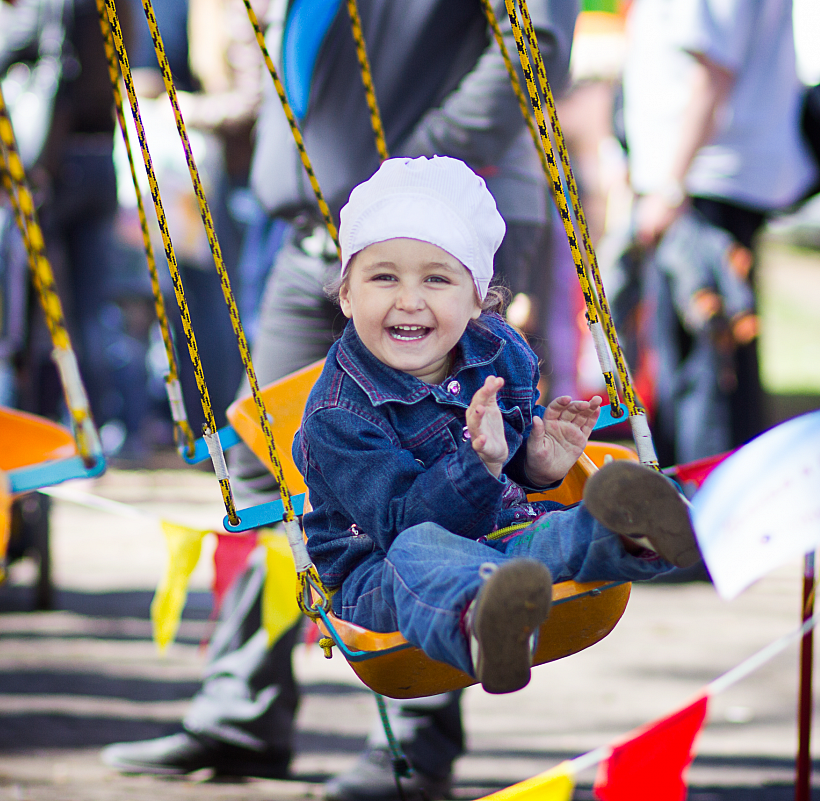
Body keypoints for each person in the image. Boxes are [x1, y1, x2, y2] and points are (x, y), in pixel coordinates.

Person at [102, 0, 577, 797]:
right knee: (266, 457)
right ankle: (244, 707)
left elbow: (536, 41)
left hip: (442, 230)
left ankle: (418, 739)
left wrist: (417, 175)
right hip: (320, 228)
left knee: (449, 454)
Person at [296, 156, 699, 696]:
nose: (409, 299)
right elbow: (401, 524)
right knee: (426, 551)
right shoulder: (337, 415)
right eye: (383, 277)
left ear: (477, 300)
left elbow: (510, 471)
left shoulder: (498, 351)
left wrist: (536, 463)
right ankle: (485, 622)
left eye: (436, 279)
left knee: (556, 530)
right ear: (347, 295)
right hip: (383, 572)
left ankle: (636, 532)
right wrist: (479, 465)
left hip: (501, 541)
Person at [623, 0, 816, 458]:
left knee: (706, 383)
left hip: (701, 185)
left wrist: (670, 186)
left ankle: (705, 510)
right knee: (703, 373)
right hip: (701, 183)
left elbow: (714, 73)